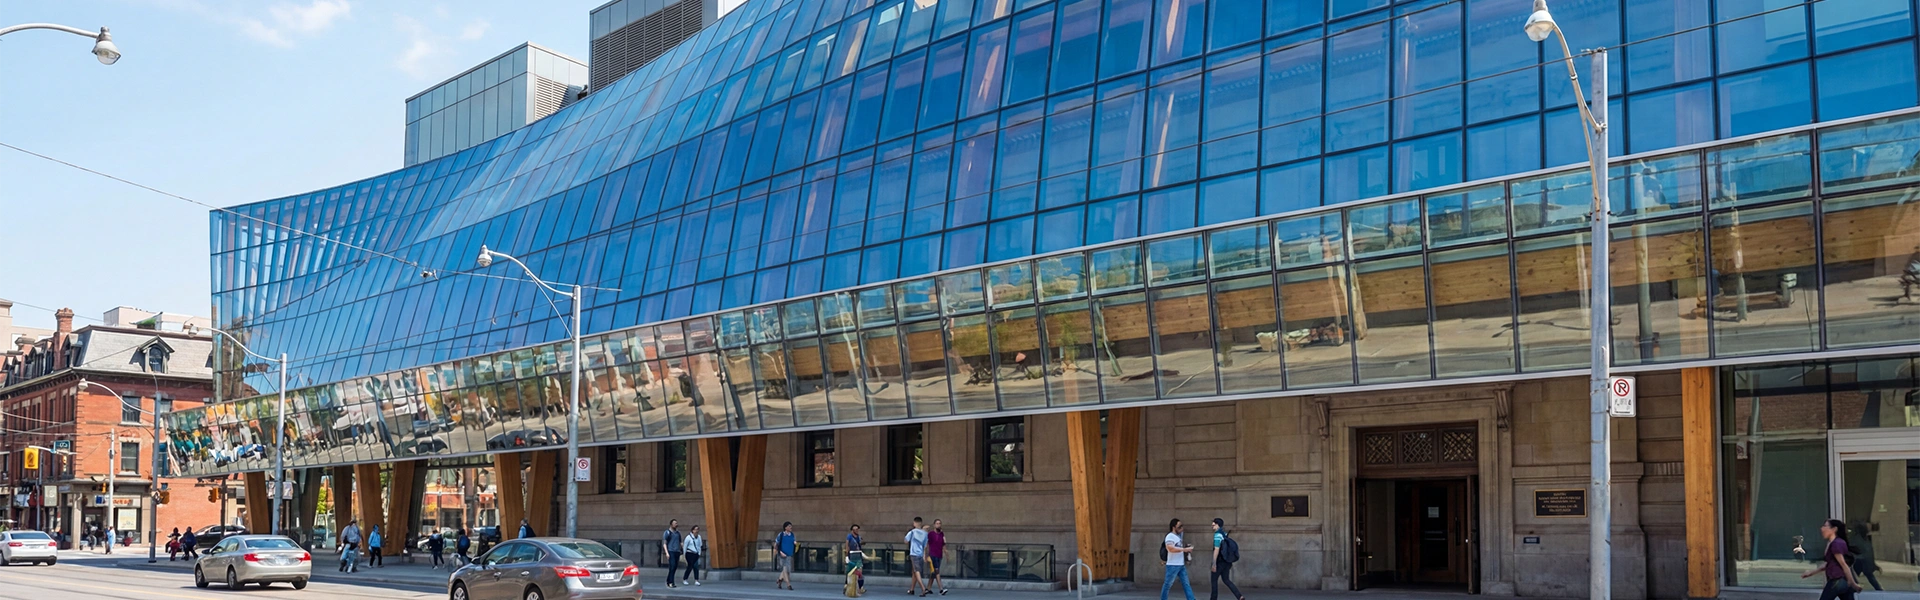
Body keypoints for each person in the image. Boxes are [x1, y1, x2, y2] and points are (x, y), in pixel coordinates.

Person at [1801, 518, 1864, 600]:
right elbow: (1829, 564)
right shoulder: (1834, 543)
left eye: (1825, 526)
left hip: (1837, 581)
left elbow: (1844, 564)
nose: (1822, 528)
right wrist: (1811, 573)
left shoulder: (1836, 543)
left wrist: (1852, 583)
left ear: (1834, 529)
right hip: (1842, 581)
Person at [1208, 518, 1244, 600]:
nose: (1212, 526)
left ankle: (1213, 599)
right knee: (1226, 580)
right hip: (1227, 562)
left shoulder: (1217, 535)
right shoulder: (1224, 534)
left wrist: (1214, 563)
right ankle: (1239, 596)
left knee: (1214, 581)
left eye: (1214, 524)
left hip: (1219, 562)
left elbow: (1216, 550)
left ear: (1218, 525)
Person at [1161, 519, 1196, 600]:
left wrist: (1186, 549)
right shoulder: (1170, 536)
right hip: (1172, 565)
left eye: (1182, 526)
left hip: (1180, 564)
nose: (1181, 528)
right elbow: (1170, 549)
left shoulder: (1178, 537)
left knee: (1186, 584)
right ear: (1174, 527)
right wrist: (1184, 549)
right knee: (1167, 584)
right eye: (1179, 526)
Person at [906, 517, 930, 596]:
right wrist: (925, 555)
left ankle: (923, 589)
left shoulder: (912, 532)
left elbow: (906, 540)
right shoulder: (925, 533)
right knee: (914, 571)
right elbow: (925, 546)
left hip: (914, 553)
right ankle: (912, 589)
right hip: (920, 554)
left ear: (915, 523)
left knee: (917, 572)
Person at [928, 520, 948, 596]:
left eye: (939, 523)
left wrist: (946, 554)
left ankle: (928, 588)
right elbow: (927, 544)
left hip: (939, 554)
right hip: (933, 554)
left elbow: (944, 544)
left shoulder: (941, 534)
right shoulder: (931, 534)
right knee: (937, 571)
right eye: (937, 524)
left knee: (933, 572)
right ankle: (941, 589)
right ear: (934, 525)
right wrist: (925, 555)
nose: (938, 525)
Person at [775, 522, 797, 591]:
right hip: (782, 555)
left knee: (788, 570)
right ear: (785, 527)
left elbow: (794, 541)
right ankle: (788, 584)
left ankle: (779, 580)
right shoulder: (781, 535)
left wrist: (795, 543)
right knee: (785, 570)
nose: (791, 527)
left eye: (791, 526)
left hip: (789, 555)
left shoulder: (792, 535)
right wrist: (780, 552)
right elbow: (776, 544)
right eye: (789, 526)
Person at [663, 519, 684, 588]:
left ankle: (668, 580)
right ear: (671, 524)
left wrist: (683, 549)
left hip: (677, 551)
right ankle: (671, 582)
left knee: (674, 567)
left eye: (676, 523)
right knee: (672, 566)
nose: (676, 524)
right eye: (675, 523)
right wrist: (667, 553)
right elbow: (664, 543)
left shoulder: (678, 533)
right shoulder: (667, 532)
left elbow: (681, 542)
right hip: (671, 551)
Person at [846, 524, 866, 594]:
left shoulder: (859, 537)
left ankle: (860, 588)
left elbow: (861, 543)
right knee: (851, 572)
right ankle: (847, 586)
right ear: (852, 530)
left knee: (860, 572)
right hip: (852, 555)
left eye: (857, 529)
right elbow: (847, 546)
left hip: (858, 555)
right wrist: (847, 556)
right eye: (855, 529)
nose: (857, 531)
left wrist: (862, 542)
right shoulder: (849, 537)